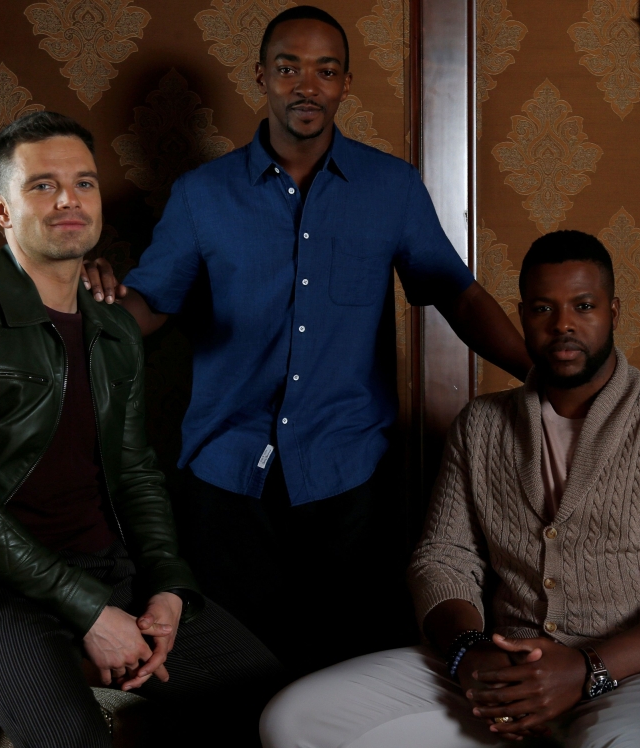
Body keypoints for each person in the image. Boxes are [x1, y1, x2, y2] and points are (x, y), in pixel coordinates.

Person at [81, 5, 532, 676]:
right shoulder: (202, 195)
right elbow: (152, 303)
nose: (307, 86)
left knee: (345, 677)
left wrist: (541, 374)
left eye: (325, 70)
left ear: (345, 83)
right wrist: (104, 308)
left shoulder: (392, 188)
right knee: (231, 683)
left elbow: (456, 293)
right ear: (262, 76)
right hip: (224, 478)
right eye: (290, 68)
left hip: (349, 479)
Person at [260, 230, 640, 748]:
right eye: (543, 308)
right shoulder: (481, 426)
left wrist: (588, 668)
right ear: (523, 315)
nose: (564, 324)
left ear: (613, 312)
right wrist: (469, 653)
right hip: (507, 666)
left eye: (583, 305)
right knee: (298, 719)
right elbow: (443, 560)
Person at [0, 111, 282, 748]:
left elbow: (135, 474)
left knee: (273, 705)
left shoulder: (114, 329)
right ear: (1, 210)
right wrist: (90, 614)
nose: (69, 198)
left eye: (84, 183)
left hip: (112, 568)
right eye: (42, 185)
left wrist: (169, 589)